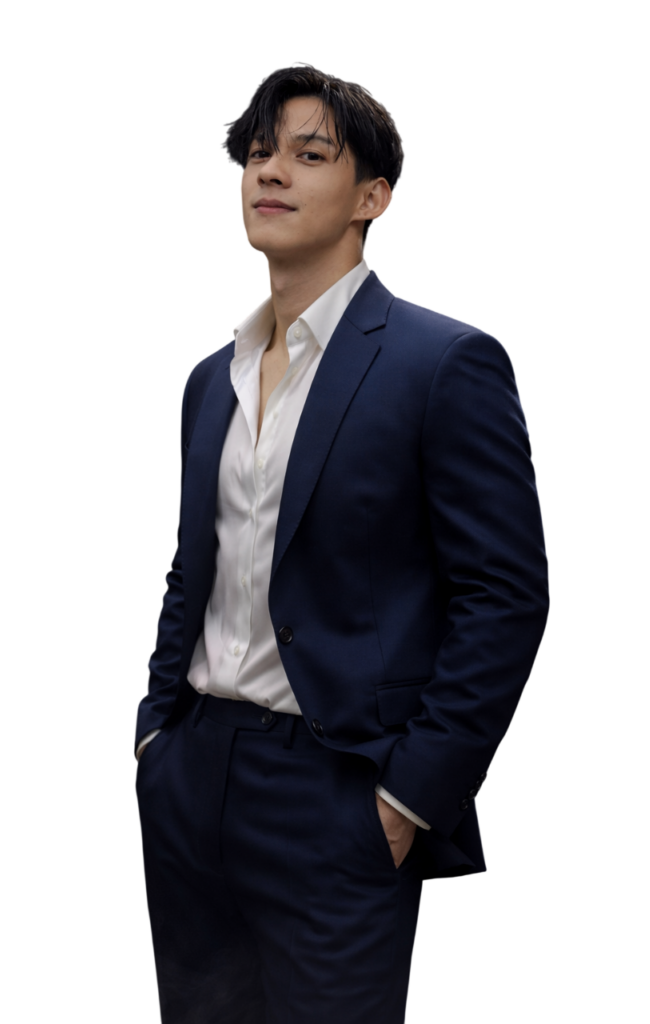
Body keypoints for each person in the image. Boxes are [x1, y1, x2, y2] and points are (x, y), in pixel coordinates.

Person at [133, 61, 550, 1024]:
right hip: (191, 777)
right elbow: (193, 565)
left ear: (374, 196)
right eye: (257, 153)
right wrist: (155, 735)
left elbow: (505, 595)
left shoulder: (444, 361)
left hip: (337, 789)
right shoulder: (211, 376)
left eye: (309, 154)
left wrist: (409, 798)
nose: (269, 171)